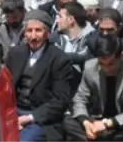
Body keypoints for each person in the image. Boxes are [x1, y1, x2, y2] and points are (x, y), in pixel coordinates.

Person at [64, 34, 123, 141]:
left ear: (121, 56)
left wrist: (108, 123)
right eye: (101, 64)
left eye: (111, 64)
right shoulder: (90, 67)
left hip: (121, 122)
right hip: (96, 119)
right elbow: (80, 99)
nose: (106, 69)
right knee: (68, 122)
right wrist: (86, 122)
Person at [5, 10, 74, 142]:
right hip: (14, 111)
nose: (33, 36)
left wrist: (30, 118)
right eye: (29, 31)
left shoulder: (59, 59)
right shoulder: (15, 54)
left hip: (41, 117)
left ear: (47, 33)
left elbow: (60, 101)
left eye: (38, 30)